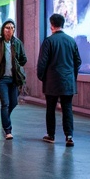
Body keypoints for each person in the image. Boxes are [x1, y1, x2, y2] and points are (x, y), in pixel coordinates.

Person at [36, 12, 81, 146]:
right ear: (63, 24)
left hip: (52, 82)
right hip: (68, 82)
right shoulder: (71, 40)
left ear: (51, 25)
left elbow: (42, 63)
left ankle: (51, 135)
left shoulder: (49, 41)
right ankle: (69, 136)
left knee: (51, 108)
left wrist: (42, 77)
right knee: (67, 109)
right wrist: (72, 76)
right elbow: (78, 61)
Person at [0, 19, 27, 139]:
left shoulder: (17, 43)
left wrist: (17, 63)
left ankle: (5, 118)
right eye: (7, 28)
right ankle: (8, 130)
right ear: (3, 29)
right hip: (1, 78)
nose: (10, 30)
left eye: (12, 28)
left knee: (13, 102)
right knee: (5, 103)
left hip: (14, 78)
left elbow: (24, 58)